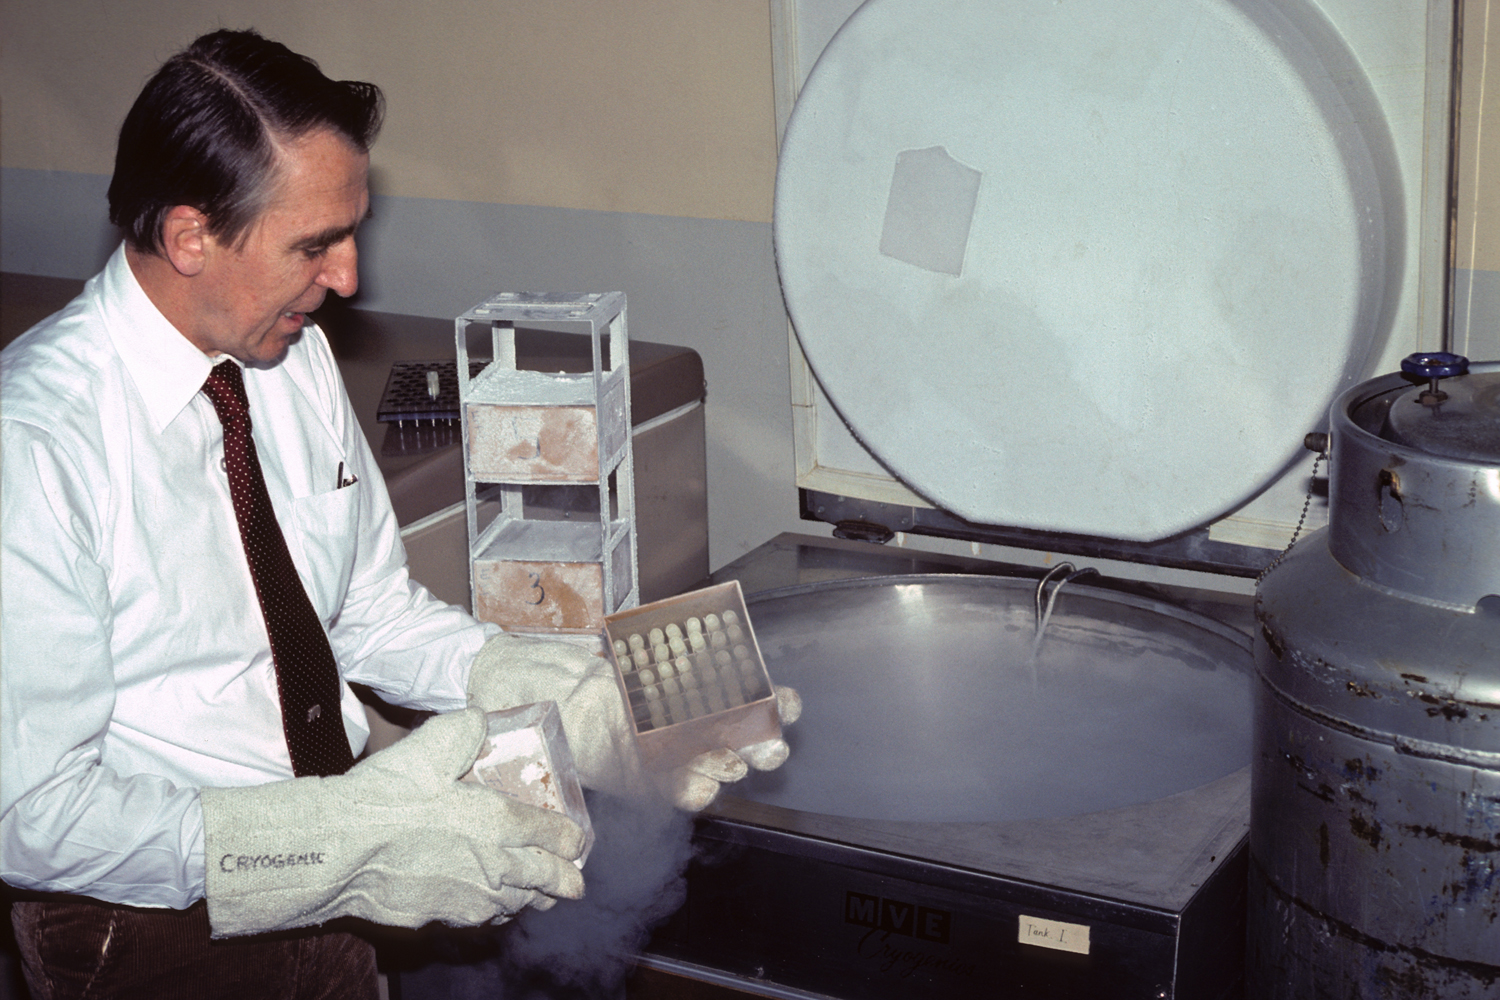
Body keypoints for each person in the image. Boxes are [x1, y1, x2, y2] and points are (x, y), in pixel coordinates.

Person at [0, 29, 795, 1000]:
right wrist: (326, 843)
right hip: (151, 929)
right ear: (190, 235)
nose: (347, 279)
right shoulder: (34, 445)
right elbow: (32, 812)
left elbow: (367, 611)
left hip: (336, 874)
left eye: (350, 233)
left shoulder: (288, 358)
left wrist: (544, 680)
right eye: (315, 244)